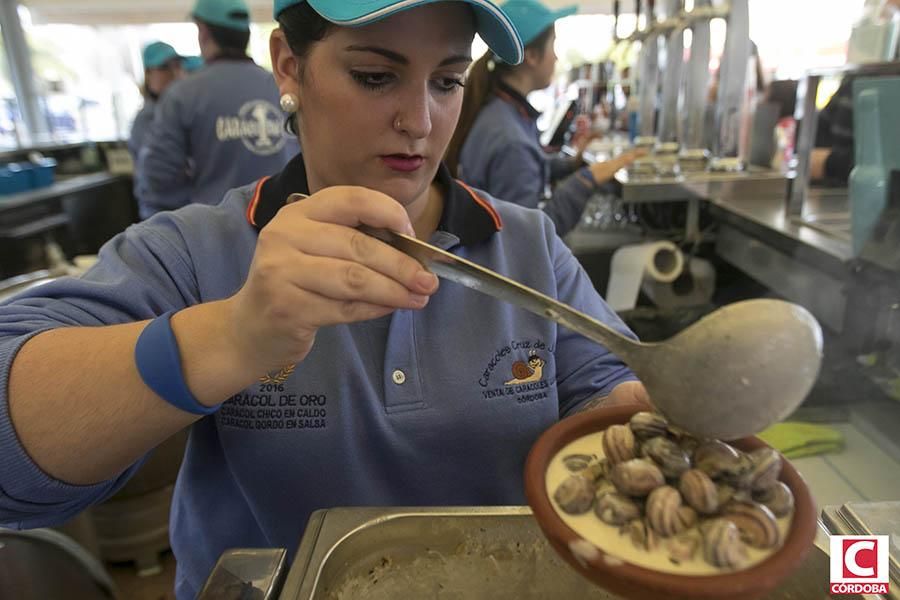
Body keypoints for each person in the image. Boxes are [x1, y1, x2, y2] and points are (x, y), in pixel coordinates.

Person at [0, 1, 648, 597]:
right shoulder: (199, 251)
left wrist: (664, 413)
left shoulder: (527, 247)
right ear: (289, 64)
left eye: (447, 81)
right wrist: (232, 334)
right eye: (374, 75)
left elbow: (607, 386)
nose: (420, 121)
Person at [446, 0, 641, 237]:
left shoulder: (500, 112)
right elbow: (528, 238)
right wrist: (586, 180)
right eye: (553, 47)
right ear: (531, 56)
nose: (557, 58)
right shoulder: (510, 138)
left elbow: (528, 165)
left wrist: (572, 164)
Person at [139, 0, 297, 219]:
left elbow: (158, 179)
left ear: (203, 32)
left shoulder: (183, 96)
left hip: (214, 239)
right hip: (287, 227)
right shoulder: (282, 87)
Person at [127, 41, 184, 164]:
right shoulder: (147, 119)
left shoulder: (176, 111)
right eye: (164, 67)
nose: (173, 73)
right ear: (148, 74)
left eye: (177, 66)